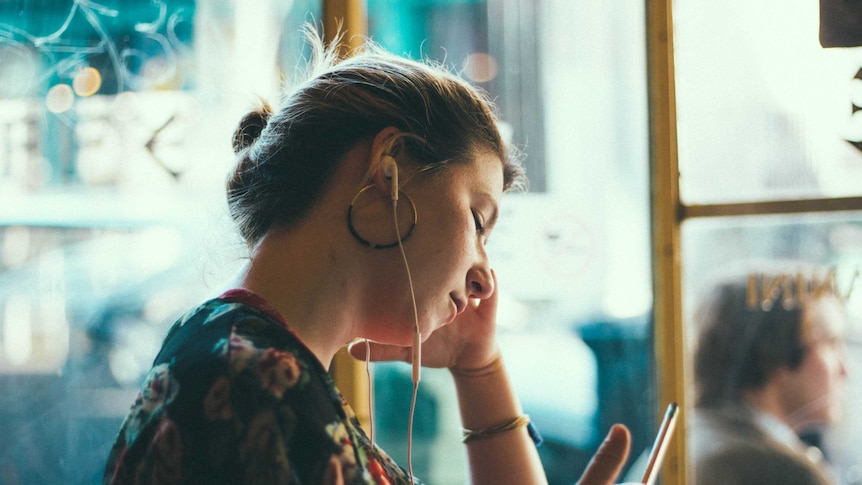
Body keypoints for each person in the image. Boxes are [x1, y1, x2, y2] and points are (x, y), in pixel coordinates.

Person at [102, 26, 632, 485]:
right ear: (389, 167)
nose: (484, 279)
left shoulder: (234, 351)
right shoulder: (262, 388)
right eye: (477, 220)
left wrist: (478, 365)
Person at [689, 262, 850, 485]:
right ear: (779, 352)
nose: (844, 370)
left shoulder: (680, 441)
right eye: (830, 343)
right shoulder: (781, 471)